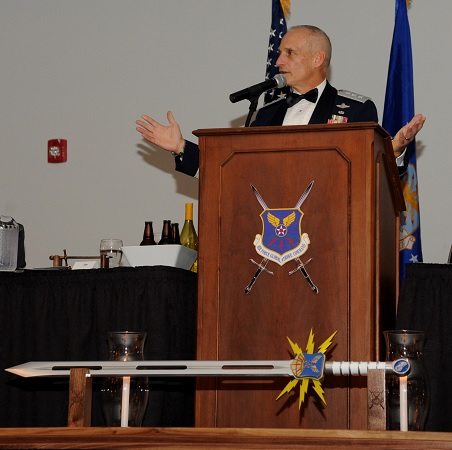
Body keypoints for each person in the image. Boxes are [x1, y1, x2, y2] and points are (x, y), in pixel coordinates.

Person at [136, 25, 425, 177]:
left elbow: (371, 178)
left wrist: (394, 150)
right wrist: (181, 147)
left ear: (317, 58)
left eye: (289, 53)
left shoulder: (357, 109)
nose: (278, 60)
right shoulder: (266, 112)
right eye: (280, 52)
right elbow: (233, 170)